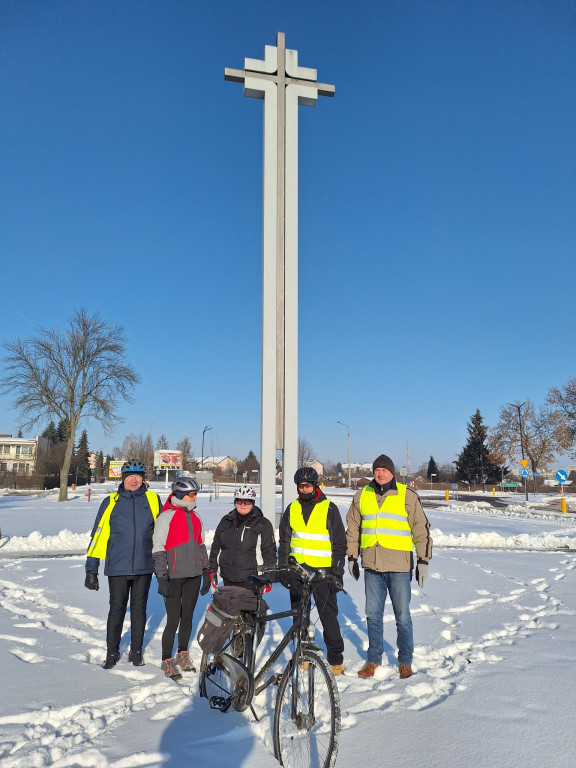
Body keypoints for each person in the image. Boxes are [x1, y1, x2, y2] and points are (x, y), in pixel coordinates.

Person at [346, 454, 433, 679]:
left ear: (392, 472)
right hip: (372, 566)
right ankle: (373, 660)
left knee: (402, 616)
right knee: (372, 615)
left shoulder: (407, 496)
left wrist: (423, 560)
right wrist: (352, 557)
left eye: (384, 470)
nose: (380, 474)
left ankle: (405, 661)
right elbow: (353, 527)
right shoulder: (361, 495)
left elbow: (421, 529)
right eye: (377, 470)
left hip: (399, 567)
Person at [85, 459, 162, 669]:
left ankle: (136, 651)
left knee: (139, 609)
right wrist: (91, 569)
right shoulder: (111, 501)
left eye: (138, 476)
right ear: (123, 479)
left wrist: (165, 568)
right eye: (130, 476)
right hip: (117, 566)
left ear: (143, 478)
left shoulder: (153, 499)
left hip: (144, 566)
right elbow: (98, 535)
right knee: (117, 608)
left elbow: (163, 535)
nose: (134, 480)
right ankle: (112, 652)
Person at [278, 467, 346, 676]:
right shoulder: (292, 508)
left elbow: (339, 543)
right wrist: (284, 569)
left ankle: (336, 659)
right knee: (300, 616)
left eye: (308, 485)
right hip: (298, 570)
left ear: (315, 486)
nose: (304, 488)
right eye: (301, 485)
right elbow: (285, 541)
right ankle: (303, 653)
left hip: (323, 573)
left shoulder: (329, 508)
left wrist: (337, 572)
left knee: (328, 617)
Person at [152, 475, 210, 680]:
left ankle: (182, 653)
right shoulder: (166, 517)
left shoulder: (196, 517)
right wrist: (162, 577)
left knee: (187, 617)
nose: (195, 498)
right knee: (173, 619)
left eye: (195, 494)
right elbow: (158, 548)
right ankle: (167, 659)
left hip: (193, 576)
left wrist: (205, 571)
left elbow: (201, 545)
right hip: (173, 577)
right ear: (181, 495)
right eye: (192, 494)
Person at [208, 485, 277, 591]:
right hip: (228, 577)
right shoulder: (226, 521)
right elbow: (216, 547)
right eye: (240, 501)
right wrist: (212, 568)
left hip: (252, 579)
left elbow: (269, 552)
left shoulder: (262, 524)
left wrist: (268, 577)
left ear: (252, 503)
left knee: (248, 607)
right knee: (229, 607)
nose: (243, 505)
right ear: (235, 502)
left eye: (247, 501)